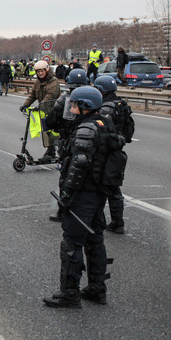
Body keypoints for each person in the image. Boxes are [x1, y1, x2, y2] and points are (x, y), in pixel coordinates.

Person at [43, 87, 118, 308]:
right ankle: (97, 288)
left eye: (75, 105)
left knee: (72, 243)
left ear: (86, 107)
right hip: (97, 193)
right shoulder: (103, 123)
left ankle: (69, 293)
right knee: (95, 239)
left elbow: (79, 165)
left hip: (83, 193)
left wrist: (66, 194)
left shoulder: (86, 129)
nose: (73, 109)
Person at [45, 68, 89, 223]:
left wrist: (51, 125)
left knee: (66, 177)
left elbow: (52, 120)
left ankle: (63, 211)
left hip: (69, 142)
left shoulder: (65, 99)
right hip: (89, 144)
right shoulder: (93, 98)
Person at [95, 75, 134, 234]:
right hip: (118, 151)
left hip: (106, 152)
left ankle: (105, 222)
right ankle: (118, 222)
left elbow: (101, 132)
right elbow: (129, 131)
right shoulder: (121, 105)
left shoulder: (106, 108)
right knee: (114, 189)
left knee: (100, 188)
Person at [19, 60, 61, 161]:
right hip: (43, 110)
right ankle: (50, 152)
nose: (40, 73)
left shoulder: (54, 82)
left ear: (47, 70)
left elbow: (50, 97)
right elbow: (33, 95)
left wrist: (40, 105)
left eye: (42, 71)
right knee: (46, 131)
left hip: (53, 110)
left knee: (52, 132)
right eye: (38, 72)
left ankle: (53, 152)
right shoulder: (38, 82)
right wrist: (25, 105)